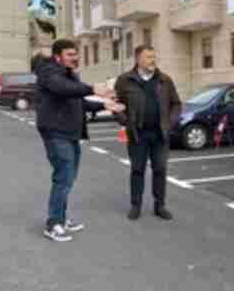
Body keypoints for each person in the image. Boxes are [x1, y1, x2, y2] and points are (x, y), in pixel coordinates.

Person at [35, 39, 122, 242]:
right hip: (57, 133)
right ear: (58, 56)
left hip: (70, 133)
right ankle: (53, 223)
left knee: (69, 178)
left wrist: (105, 106)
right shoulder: (49, 72)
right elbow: (62, 88)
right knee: (63, 177)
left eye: (76, 54)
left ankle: (61, 219)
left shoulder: (69, 76)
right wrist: (93, 88)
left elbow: (79, 102)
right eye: (70, 54)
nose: (75, 58)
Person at [114, 45, 182, 221]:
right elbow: (115, 104)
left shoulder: (164, 80)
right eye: (148, 57)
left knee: (160, 169)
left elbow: (176, 103)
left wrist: (170, 122)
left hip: (160, 134)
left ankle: (160, 206)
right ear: (138, 59)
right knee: (137, 170)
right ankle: (135, 205)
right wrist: (124, 121)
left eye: (154, 57)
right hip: (138, 134)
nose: (153, 60)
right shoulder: (125, 80)